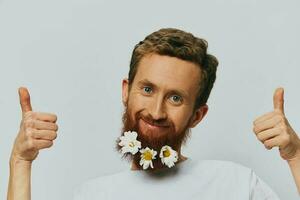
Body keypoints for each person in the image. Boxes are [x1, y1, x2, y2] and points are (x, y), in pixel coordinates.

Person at [7, 28, 300, 200]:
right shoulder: (92, 195)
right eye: (147, 90)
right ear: (126, 91)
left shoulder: (236, 185)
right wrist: (20, 162)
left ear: (197, 115)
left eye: (175, 97)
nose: (156, 112)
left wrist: (296, 155)